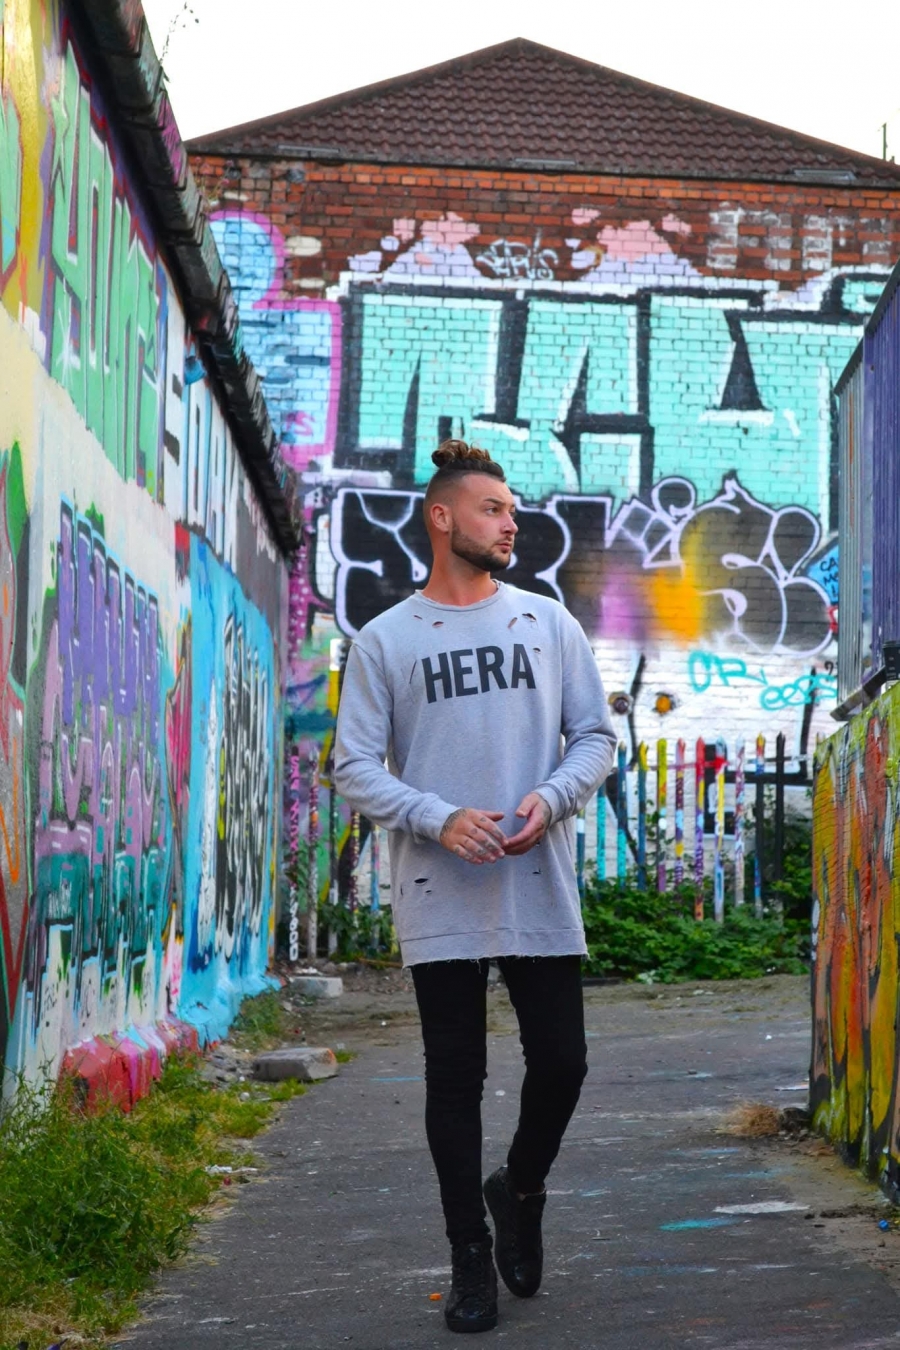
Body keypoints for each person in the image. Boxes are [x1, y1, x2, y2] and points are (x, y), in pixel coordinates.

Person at [334, 439, 616, 1333]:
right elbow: (353, 766)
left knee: (563, 1063)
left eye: (512, 511)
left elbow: (595, 738)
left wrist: (551, 797)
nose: (509, 524)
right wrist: (437, 816)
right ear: (442, 516)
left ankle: (520, 1189)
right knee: (455, 1078)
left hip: (536, 879)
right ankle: (468, 1255)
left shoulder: (547, 623)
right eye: (493, 509)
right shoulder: (387, 639)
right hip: (439, 887)